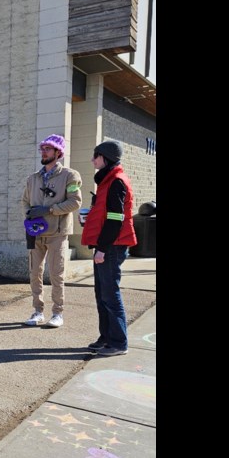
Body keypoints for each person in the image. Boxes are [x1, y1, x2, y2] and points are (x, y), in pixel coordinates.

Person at [81, 140, 137, 357]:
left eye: (95, 155)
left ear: (105, 157)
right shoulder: (107, 181)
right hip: (106, 246)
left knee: (110, 295)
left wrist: (102, 249)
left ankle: (118, 342)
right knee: (102, 294)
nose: (92, 159)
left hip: (112, 247)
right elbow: (107, 214)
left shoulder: (116, 181)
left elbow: (115, 219)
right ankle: (106, 337)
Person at [20, 134, 82, 328]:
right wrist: (29, 217)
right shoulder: (33, 178)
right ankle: (38, 311)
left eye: (48, 148)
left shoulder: (70, 176)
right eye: (42, 148)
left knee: (56, 274)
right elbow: (25, 201)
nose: (43, 151)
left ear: (58, 152)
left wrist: (49, 210)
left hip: (57, 233)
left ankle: (57, 313)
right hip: (35, 233)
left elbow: (75, 201)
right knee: (34, 273)